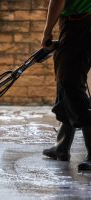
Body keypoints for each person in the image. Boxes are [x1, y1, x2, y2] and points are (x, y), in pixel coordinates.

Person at [41, 0, 91, 171]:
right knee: (65, 81)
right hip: (76, 24)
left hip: (80, 24)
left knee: (71, 84)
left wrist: (47, 32)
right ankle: (61, 147)